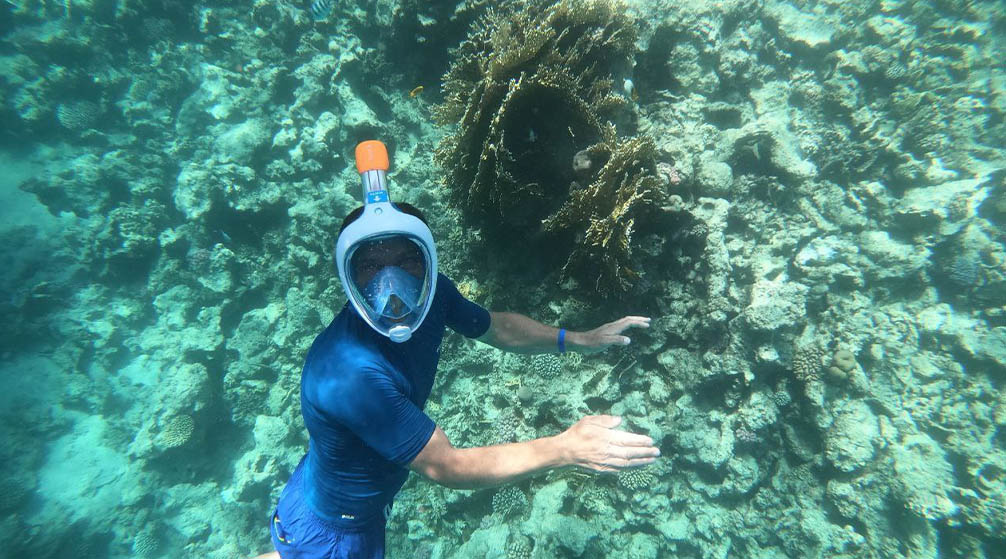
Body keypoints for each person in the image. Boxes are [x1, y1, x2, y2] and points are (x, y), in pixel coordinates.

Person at [253, 141, 660, 559]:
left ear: (428, 261)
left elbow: (497, 328)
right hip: (338, 529)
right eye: (371, 266)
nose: (392, 286)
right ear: (348, 276)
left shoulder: (435, 295)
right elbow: (446, 466)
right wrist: (566, 449)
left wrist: (577, 339)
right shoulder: (352, 376)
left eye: (407, 262)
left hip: (333, 495)